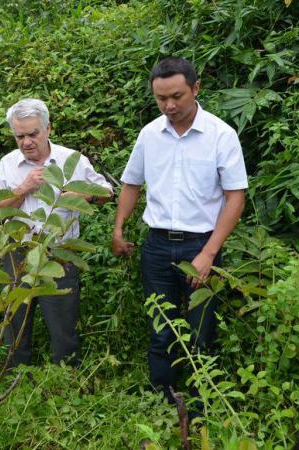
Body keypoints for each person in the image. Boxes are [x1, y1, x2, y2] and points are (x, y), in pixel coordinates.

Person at [111, 57, 248, 407]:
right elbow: (131, 183)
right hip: (157, 245)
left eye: (177, 96)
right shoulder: (150, 135)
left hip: (201, 244)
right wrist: (118, 227)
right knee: (162, 327)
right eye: (161, 98)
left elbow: (235, 198)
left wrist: (209, 253)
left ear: (196, 89)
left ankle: (203, 403)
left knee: (202, 329)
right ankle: (164, 398)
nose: (169, 105)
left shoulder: (221, 135)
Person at [0, 98, 113, 367]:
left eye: (32, 134)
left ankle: (65, 378)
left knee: (63, 321)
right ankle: (15, 375)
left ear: (48, 129)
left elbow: (107, 191)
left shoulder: (73, 160)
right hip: (17, 253)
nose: (26, 142)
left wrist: (84, 195)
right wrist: (23, 188)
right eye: (19, 136)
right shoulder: (8, 164)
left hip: (60, 254)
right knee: (15, 320)